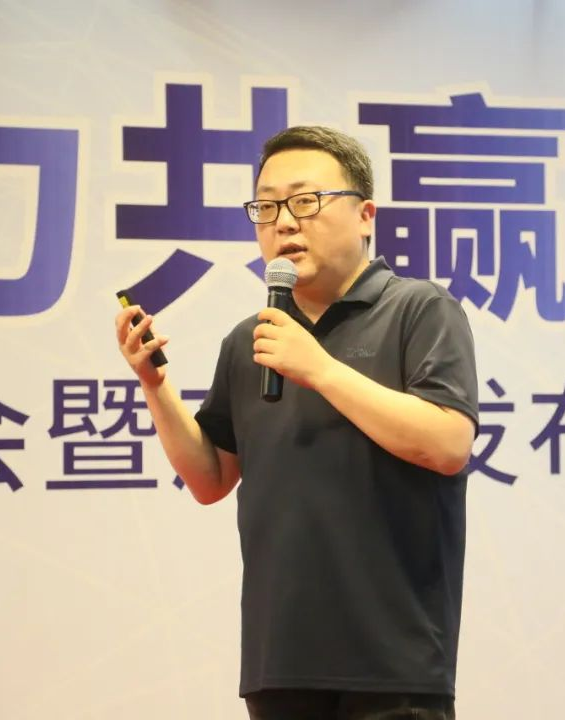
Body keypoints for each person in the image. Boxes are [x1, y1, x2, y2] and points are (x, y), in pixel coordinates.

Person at [115, 125, 479, 720]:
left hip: (394, 663)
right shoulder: (250, 340)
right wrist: (154, 386)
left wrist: (320, 369)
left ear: (365, 215)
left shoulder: (420, 309)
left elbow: (447, 443)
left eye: (306, 201)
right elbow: (210, 478)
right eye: (267, 207)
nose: (284, 223)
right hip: (279, 661)